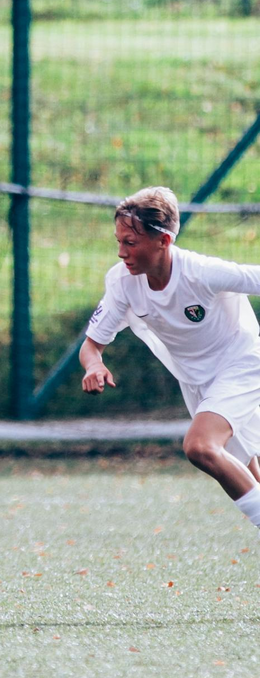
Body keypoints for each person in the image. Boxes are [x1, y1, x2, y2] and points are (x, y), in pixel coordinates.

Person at [82, 186, 260, 544]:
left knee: (200, 446)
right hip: (196, 382)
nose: (121, 252)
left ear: (163, 241)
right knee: (250, 471)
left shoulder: (201, 272)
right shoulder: (122, 282)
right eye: (119, 241)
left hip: (241, 365)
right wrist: (93, 366)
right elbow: (91, 345)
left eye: (130, 242)